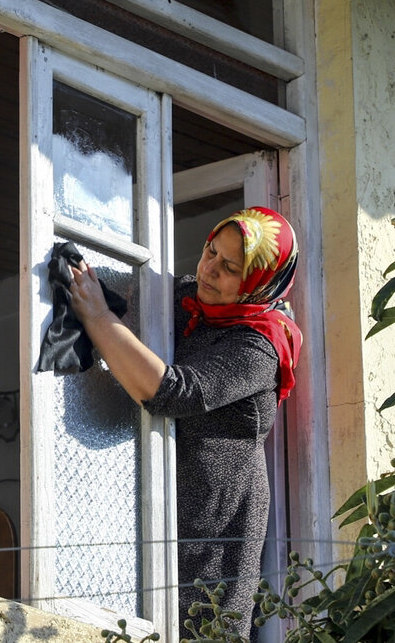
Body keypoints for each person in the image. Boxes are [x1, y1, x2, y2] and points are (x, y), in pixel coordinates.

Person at [68, 206, 301, 640]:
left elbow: (173, 392)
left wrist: (98, 317)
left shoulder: (260, 344)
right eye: (211, 251)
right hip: (152, 518)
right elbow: (128, 306)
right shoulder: (185, 298)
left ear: (258, 282)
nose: (210, 269)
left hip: (215, 533)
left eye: (230, 268)